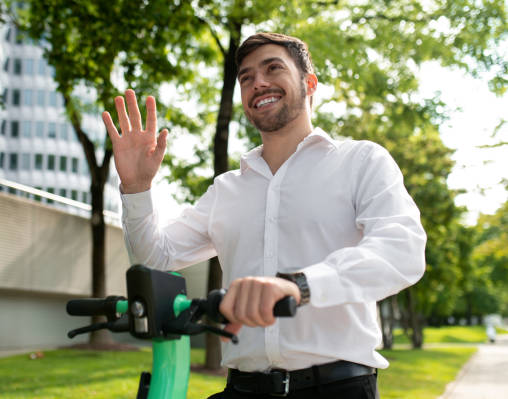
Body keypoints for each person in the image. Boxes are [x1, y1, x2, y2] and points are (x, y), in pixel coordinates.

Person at [102, 32, 426, 398]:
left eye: (273, 68)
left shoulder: (361, 161)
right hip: (242, 388)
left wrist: (300, 285)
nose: (259, 83)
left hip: (338, 388)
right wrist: (136, 187)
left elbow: (402, 251)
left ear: (309, 83)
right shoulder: (227, 188)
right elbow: (154, 259)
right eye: (246, 77)